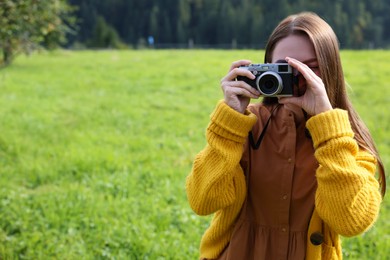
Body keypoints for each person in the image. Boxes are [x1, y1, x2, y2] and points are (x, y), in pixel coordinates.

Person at [186, 12, 386, 260]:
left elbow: (351, 221)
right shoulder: (246, 126)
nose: (297, 77)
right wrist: (229, 121)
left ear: (331, 69)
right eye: (285, 68)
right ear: (267, 68)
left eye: (310, 67)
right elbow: (202, 200)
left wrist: (328, 128)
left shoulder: (346, 140)